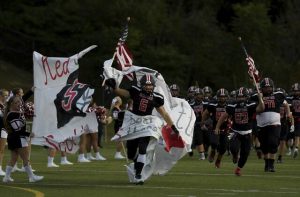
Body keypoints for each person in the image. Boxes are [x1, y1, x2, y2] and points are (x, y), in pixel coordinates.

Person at [105, 74, 179, 185]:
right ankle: (137, 162)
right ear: (142, 85)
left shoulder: (156, 97)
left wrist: (173, 127)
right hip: (134, 122)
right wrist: (115, 87)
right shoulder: (135, 91)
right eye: (146, 85)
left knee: (143, 148)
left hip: (147, 124)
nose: (148, 87)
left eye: (150, 85)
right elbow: (122, 92)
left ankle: (138, 175)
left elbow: (164, 114)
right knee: (131, 153)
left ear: (153, 86)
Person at [215, 87, 264, 176]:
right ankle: (234, 155)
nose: (241, 99)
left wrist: (260, 98)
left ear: (247, 97)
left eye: (243, 97)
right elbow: (223, 116)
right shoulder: (232, 105)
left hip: (247, 132)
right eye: (239, 97)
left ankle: (238, 169)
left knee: (245, 153)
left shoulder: (251, 105)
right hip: (235, 131)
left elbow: (261, 108)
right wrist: (217, 127)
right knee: (233, 148)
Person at [2, 95, 43, 182]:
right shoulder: (12, 114)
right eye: (16, 102)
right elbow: (18, 130)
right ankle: (31, 177)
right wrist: (29, 134)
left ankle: (6, 177)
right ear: (11, 104)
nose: (19, 103)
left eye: (19, 102)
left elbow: (23, 99)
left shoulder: (16, 112)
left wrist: (31, 91)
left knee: (14, 158)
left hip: (13, 139)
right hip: (18, 139)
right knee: (26, 158)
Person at [252, 78, 287, 172]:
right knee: (264, 145)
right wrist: (259, 97)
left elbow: (286, 104)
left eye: (269, 87)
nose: (268, 89)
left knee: (273, 143)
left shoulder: (278, 95)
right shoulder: (256, 96)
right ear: (262, 88)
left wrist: (289, 113)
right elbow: (253, 105)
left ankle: (271, 165)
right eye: (266, 87)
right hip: (262, 124)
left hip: (274, 123)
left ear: (273, 87)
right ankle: (267, 164)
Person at [202, 88, 230, 168]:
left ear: (227, 97)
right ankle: (213, 151)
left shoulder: (229, 104)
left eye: (224, 96)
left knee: (223, 147)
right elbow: (205, 113)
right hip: (214, 126)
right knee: (214, 142)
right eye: (220, 97)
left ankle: (218, 160)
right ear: (217, 97)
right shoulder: (213, 104)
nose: (222, 98)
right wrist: (202, 122)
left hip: (226, 128)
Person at [0, 89, 9, 176]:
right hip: (1, 129)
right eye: (5, 95)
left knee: (1, 150)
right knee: (1, 150)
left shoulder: (5, 105)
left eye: (7, 95)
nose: (6, 97)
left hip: (4, 129)